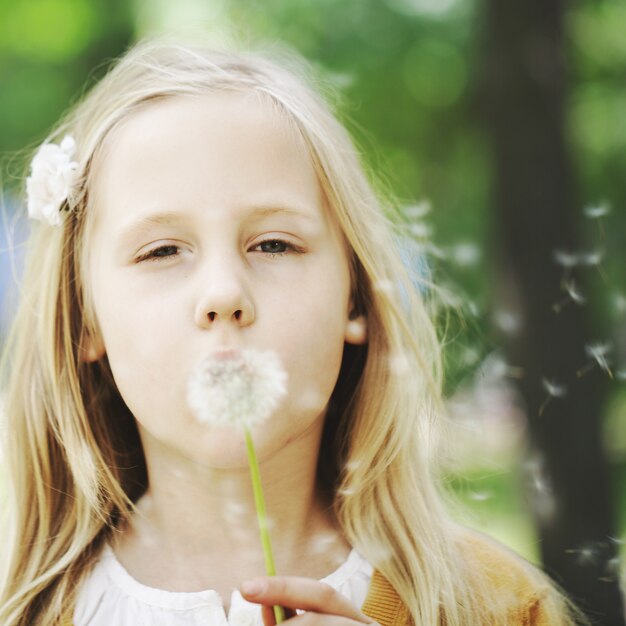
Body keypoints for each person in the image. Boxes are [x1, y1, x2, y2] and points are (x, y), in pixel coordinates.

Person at [0, 36, 585, 626]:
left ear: (354, 296)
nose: (224, 293)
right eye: (162, 251)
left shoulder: (496, 604)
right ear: (85, 317)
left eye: (274, 243)